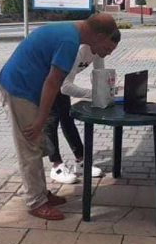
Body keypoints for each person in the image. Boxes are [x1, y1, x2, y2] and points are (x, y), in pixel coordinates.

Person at [0, 14, 118, 220]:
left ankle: (41, 193)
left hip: (27, 87)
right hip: (19, 89)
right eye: (107, 47)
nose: (106, 52)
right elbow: (54, 84)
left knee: (35, 144)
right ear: (98, 36)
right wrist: (40, 121)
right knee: (29, 146)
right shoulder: (69, 43)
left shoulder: (70, 33)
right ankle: (36, 202)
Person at [47, 30, 122, 184]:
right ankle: (56, 166)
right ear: (98, 40)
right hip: (45, 79)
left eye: (112, 50)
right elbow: (65, 87)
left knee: (67, 119)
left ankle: (81, 161)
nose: (108, 53)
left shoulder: (99, 50)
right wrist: (94, 94)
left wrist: (106, 92)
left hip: (61, 80)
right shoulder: (78, 50)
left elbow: (99, 75)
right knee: (51, 121)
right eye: (107, 48)